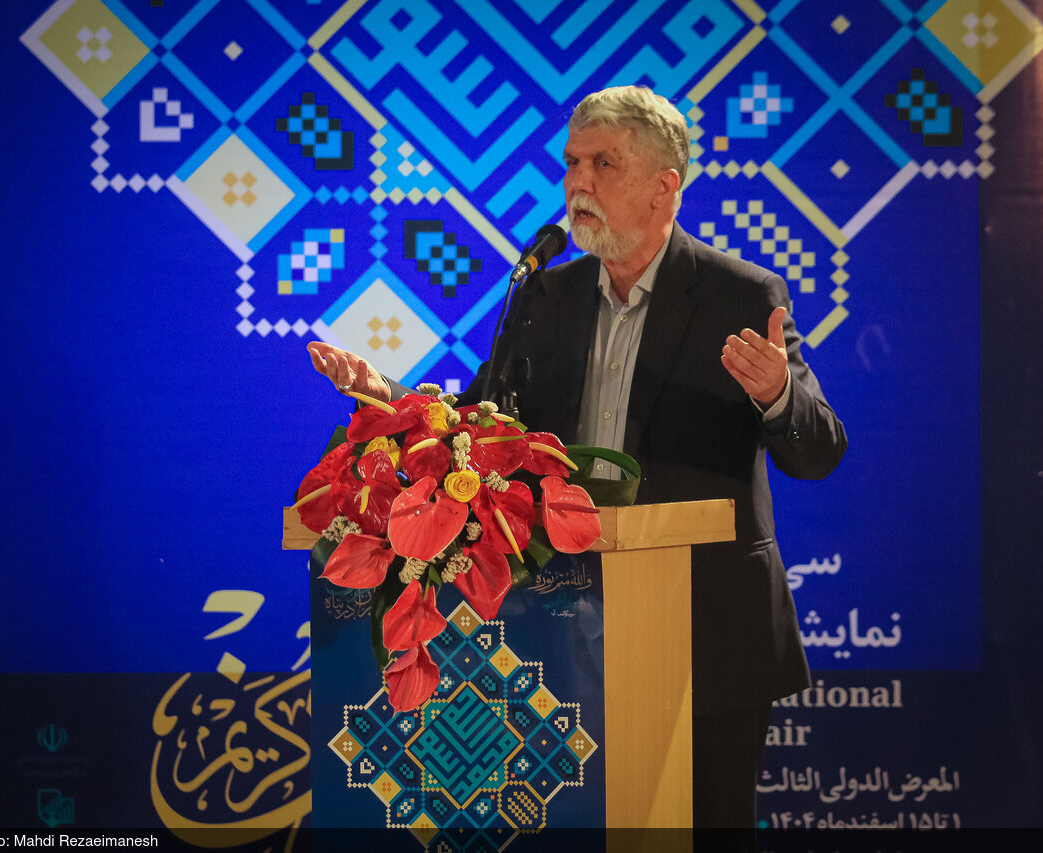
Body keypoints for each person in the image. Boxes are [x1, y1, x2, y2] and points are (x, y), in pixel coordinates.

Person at [308, 85, 846, 829]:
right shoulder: (547, 294)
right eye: (571, 163)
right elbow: (480, 424)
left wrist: (779, 395)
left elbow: (819, 451)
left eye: (603, 164)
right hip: (566, 628)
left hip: (708, 629)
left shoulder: (739, 295)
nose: (577, 183)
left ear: (664, 186)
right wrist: (386, 395)